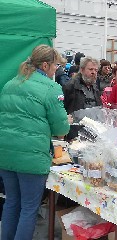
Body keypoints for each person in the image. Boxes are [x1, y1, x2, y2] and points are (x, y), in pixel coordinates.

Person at [0, 44, 70, 240]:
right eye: (56, 65)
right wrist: (66, 122)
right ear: (46, 65)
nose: (57, 69)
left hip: (6, 153)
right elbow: (61, 129)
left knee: (12, 202)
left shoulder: (11, 83)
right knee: (29, 208)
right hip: (31, 157)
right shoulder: (50, 88)